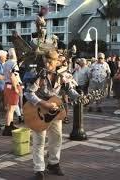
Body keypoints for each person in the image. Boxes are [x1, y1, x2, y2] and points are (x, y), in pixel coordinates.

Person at [24, 50, 80, 180]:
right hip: (38, 112)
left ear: (57, 62)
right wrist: (44, 104)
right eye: (46, 61)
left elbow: (70, 91)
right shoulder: (38, 74)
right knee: (39, 141)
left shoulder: (62, 76)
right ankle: (39, 170)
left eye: (50, 61)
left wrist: (80, 97)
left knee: (57, 138)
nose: (47, 64)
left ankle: (53, 164)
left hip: (55, 112)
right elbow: (28, 93)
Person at [2, 48, 21, 136]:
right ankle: (7, 127)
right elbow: (13, 76)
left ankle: (10, 125)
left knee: (10, 109)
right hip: (12, 86)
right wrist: (16, 88)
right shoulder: (14, 63)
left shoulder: (6, 63)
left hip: (7, 85)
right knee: (11, 109)